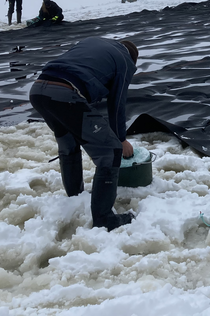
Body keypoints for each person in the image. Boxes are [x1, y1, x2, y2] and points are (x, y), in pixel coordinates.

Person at [29, 37, 139, 231]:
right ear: (132, 58)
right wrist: (120, 139)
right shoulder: (124, 60)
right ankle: (104, 218)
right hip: (65, 93)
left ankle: (75, 197)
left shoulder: (94, 42)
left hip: (38, 90)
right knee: (110, 150)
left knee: (68, 141)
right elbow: (117, 104)